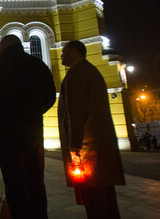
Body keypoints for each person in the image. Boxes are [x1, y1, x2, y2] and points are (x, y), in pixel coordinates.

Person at [0, 35, 56, 218]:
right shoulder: (37, 65)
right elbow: (51, 96)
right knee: (35, 180)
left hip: (6, 130)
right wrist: (35, 111)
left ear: (2, 48)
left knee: (14, 180)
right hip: (33, 131)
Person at [58, 40, 125, 219]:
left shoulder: (77, 74)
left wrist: (74, 147)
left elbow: (76, 112)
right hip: (97, 145)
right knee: (104, 195)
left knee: (95, 197)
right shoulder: (89, 71)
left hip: (88, 148)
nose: (61, 54)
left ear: (74, 51)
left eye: (64, 51)